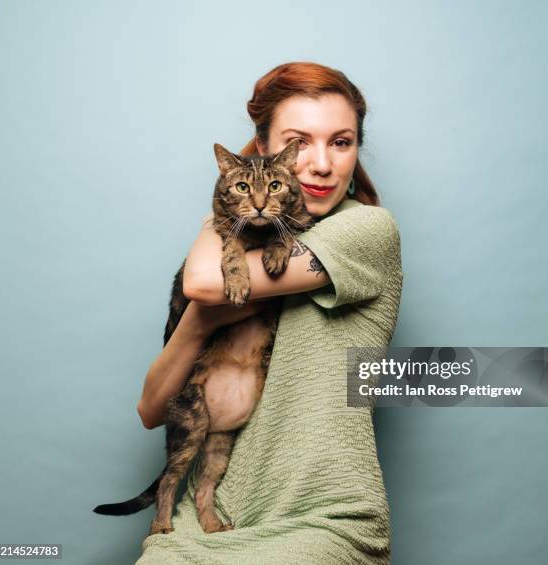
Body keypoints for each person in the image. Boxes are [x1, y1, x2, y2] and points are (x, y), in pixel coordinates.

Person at [136, 61, 403, 565]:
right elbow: (150, 410)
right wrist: (235, 197)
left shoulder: (367, 231)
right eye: (299, 144)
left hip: (320, 520)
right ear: (266, 150)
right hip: (199, 525)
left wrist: (223, 233)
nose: (321, 164)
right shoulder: (243, 223)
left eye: (341, 142)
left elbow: (201, 284)